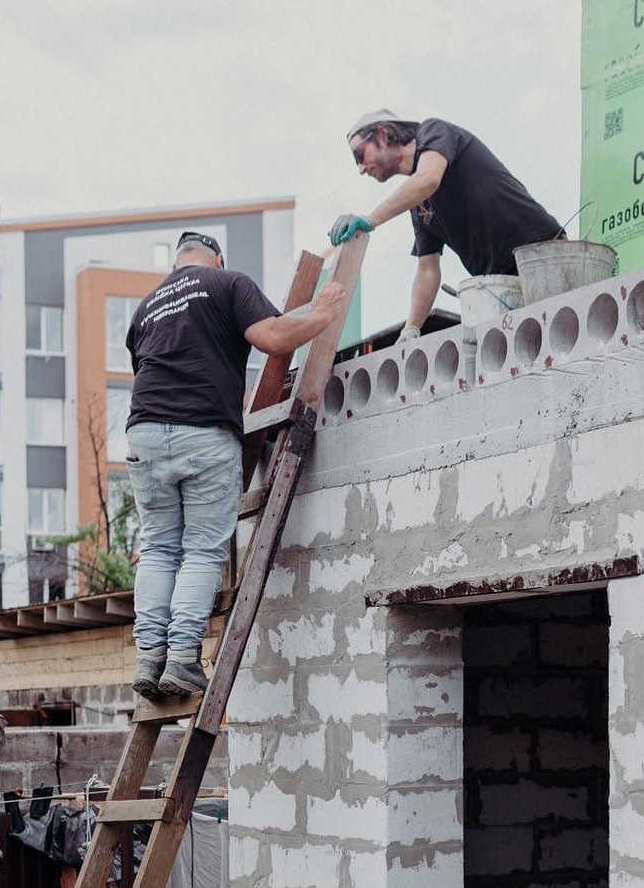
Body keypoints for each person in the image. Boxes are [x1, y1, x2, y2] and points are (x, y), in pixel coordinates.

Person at [125, 231, 346, 697]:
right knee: (204, 549)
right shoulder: (227, 282)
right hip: (202, 431)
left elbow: (159, 368)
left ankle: (148, 660)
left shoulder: (146, 307)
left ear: (177, 264)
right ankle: (183, 660)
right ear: (216, 259)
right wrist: (323, 312)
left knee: (160, 548)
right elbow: (272, 338)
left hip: (143, 432)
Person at [329, 109, 564, 340]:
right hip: (501, 285)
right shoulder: (419, 204)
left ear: (382, 133)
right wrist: (411, 329)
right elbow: (428, 269)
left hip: (543, 254)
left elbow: (428, 178)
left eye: (360, 155)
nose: (360, 169)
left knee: (562, 338)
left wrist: (371, 219)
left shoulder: (433, 131)